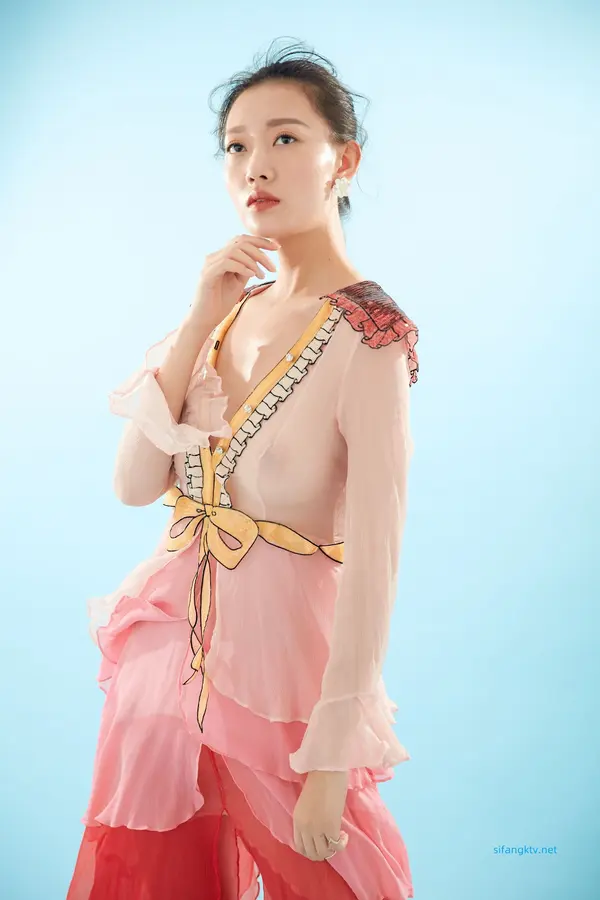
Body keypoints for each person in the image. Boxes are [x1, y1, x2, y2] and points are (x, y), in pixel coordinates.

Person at [67, 38, 419, 900]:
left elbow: (375, 565)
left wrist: (333, 757)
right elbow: (135, 485)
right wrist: (197, 322)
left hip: (283, 695)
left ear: (344, 161)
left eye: (286, 138)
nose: (255, 164)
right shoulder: (225, 314)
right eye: (236, 145)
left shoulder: (368, 335)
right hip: (163, 678)